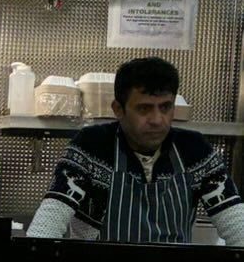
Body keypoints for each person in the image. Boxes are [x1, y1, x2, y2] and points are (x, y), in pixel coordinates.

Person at [27, 56, 244, 245]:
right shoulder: (91, 146)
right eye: (144, 108)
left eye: (165, 107)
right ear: (118, 109)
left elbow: (237, 226)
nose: (157, 120)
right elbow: (49, 222)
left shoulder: (195, 151)